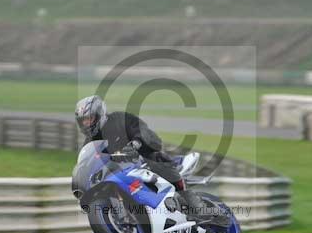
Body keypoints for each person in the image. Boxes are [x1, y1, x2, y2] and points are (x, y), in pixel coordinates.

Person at [74, 95, 211, 222]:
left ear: (99, 114)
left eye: (89, 119)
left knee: (154, 161)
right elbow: (87, 162)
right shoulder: (89, 143)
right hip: (120, 173)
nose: (86, 124)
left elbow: (141, 129)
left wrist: (136, 143)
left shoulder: (119, 119)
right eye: (83, 121)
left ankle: (197, 208)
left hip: (143, 158)